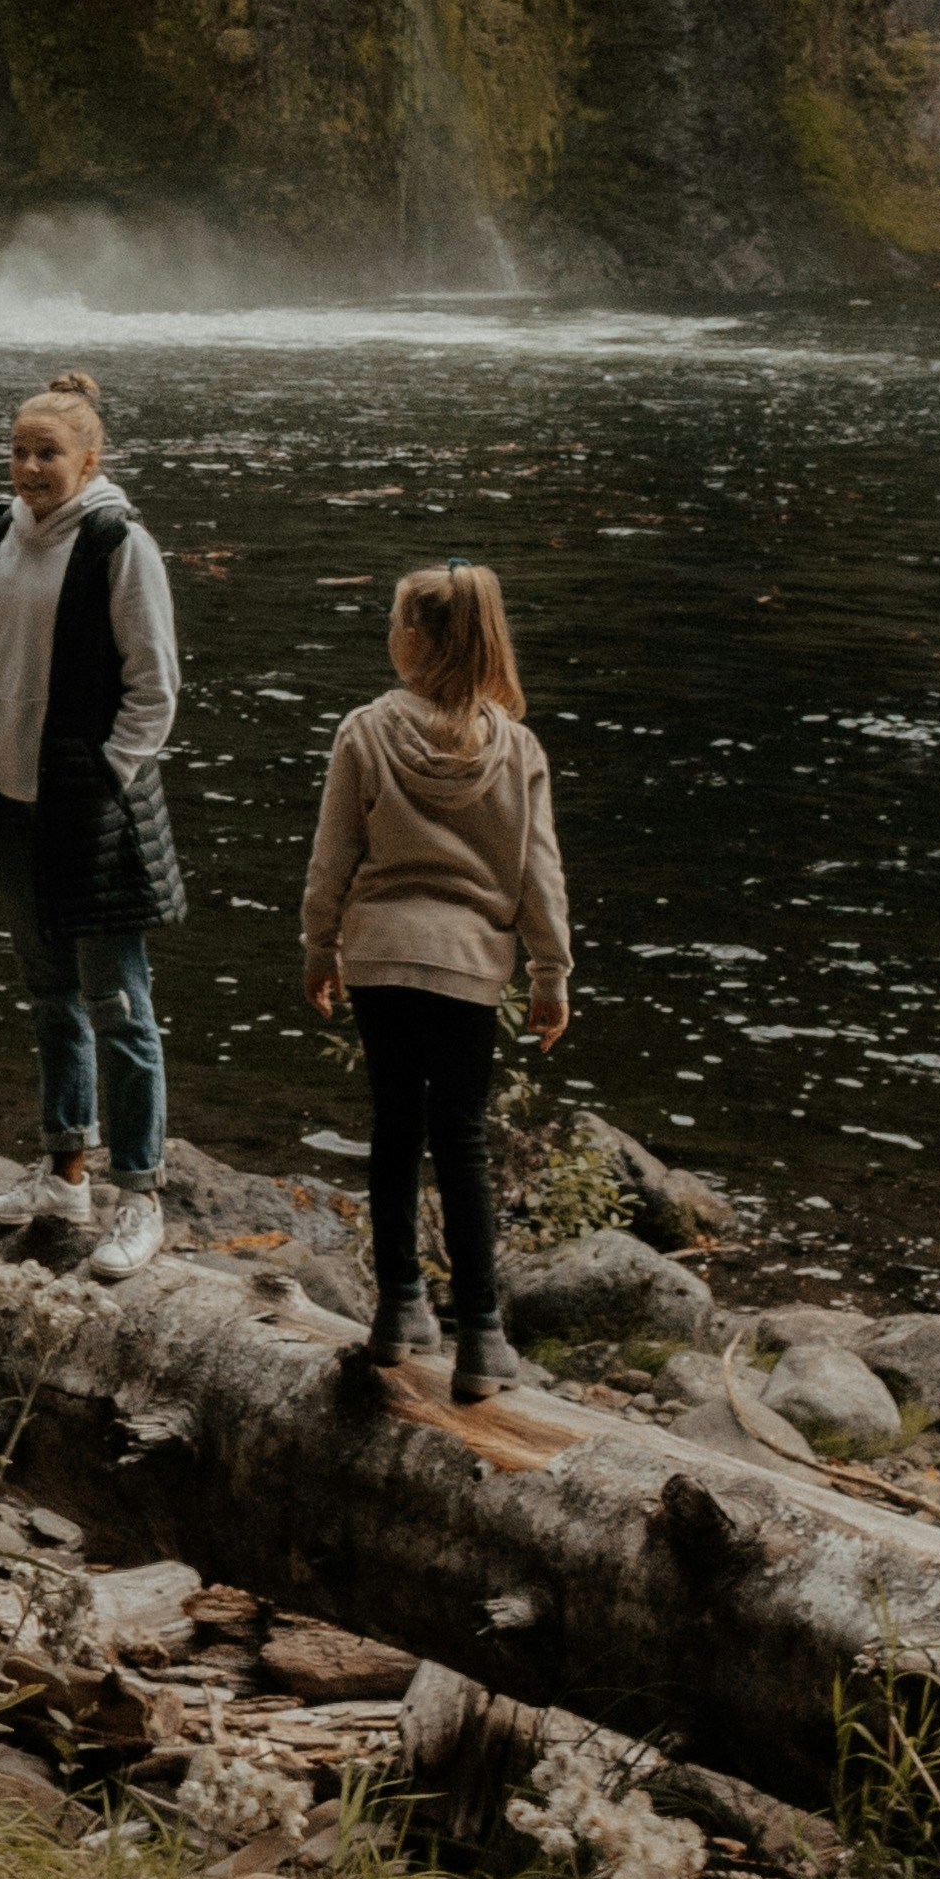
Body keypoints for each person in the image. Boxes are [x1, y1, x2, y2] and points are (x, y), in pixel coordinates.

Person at [299, 559, 570, 1403]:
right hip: (470, 972)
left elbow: (332, 856)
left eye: (393, 624)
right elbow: (540, 875)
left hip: (381, 960)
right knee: (462, 1141)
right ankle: (482, 1339)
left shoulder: (365, 732)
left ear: (413, 640)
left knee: (393, 1130)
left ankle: (397, 1311)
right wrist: (552, 972)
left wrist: (319, 948)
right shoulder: (517, 748)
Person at [0, 369, 186, 1277]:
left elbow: (155, 689)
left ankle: (140, 1197)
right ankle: (64, 1171)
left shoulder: (120, 543)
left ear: (89, 458)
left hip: (88, 809)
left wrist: (104, 778)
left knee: (119, 1005)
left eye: (49, 452)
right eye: (20, 450)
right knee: (49, 995)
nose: (31, 467)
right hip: (6, 796)